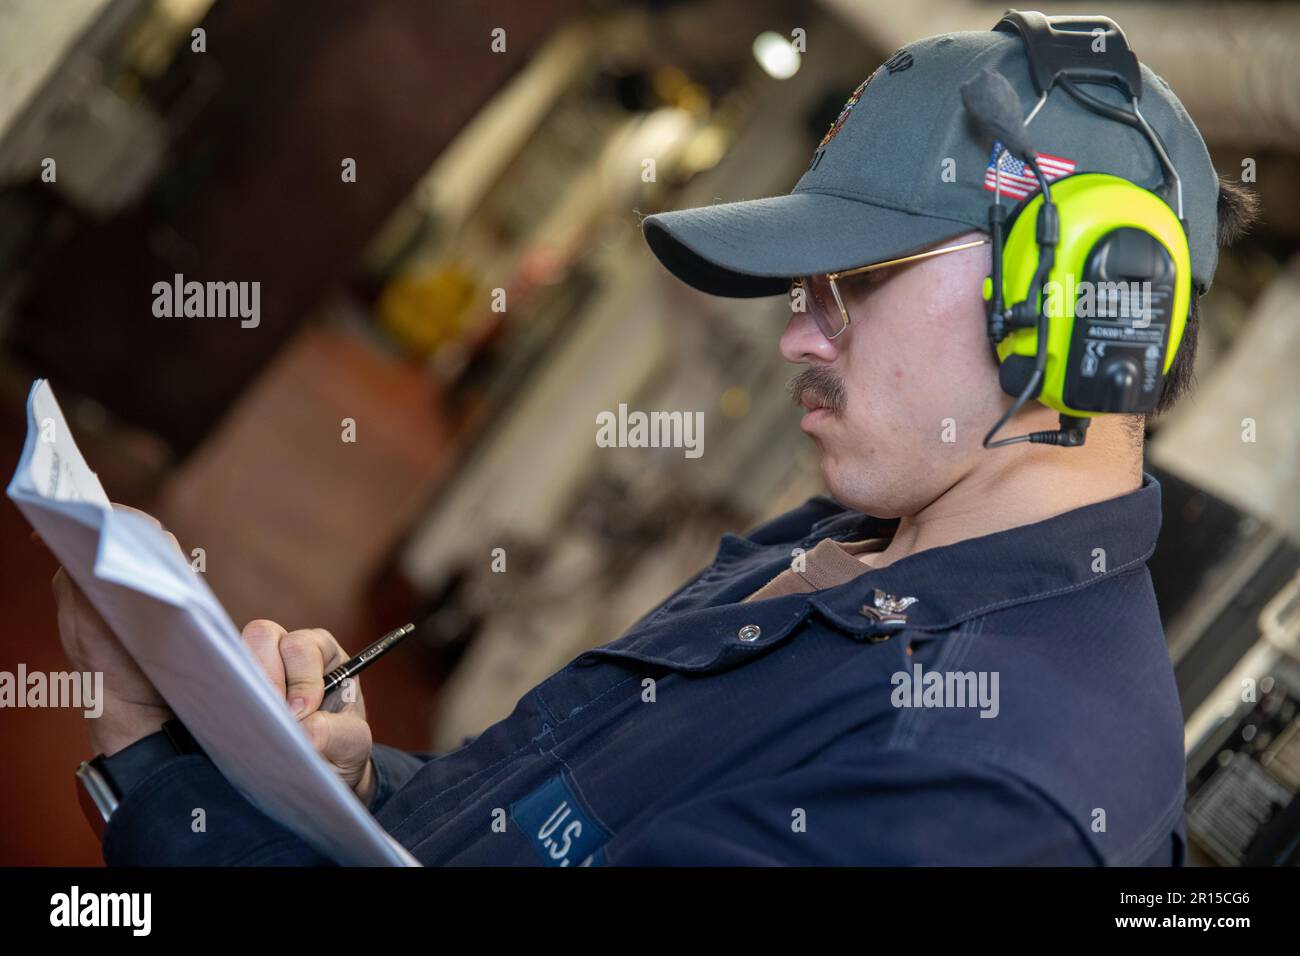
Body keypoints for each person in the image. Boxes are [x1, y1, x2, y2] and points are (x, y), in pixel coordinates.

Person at [55, 14, 1257, 865]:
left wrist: (150, 751)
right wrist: (357, 785)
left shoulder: (984, 779)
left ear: (1086, 301)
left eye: (852, 280)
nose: (797, 338)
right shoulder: (846, 548)